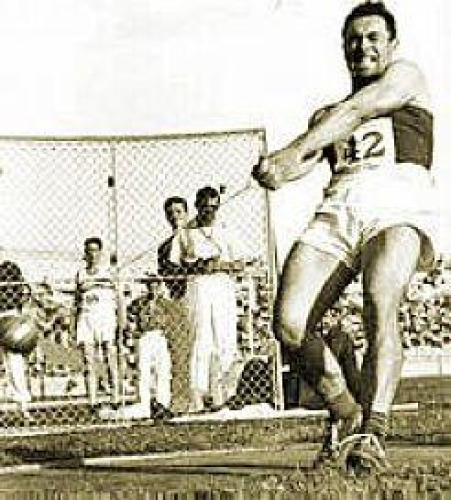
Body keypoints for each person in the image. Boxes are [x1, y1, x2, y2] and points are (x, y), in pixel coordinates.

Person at [253, 1, 437, 473]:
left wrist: (295, 149)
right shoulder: (326, 116)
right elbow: (303, 161)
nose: (363, 47)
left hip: (397, 206)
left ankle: (374, 430)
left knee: (380, 299)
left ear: (392, 44)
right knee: (289, 324)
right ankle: (346, 411)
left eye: (373, 37)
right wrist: (276, 169)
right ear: (343, 49)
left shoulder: (407, 78)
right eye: (353, 40)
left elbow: (359, 109)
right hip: (338, 210)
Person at [170, 186, 241, 412]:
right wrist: (199, 265)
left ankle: (226, 394)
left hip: (222, 286)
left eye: (214, 207)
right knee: (201, 340)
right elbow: (175, 265)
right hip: (198, 286)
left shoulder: (226, 230)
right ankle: (198, 396)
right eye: (204, 207)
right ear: (197, 207)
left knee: (225, 339)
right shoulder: (186, 233)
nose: (209, 212)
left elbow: (240, 263)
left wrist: (219, 265)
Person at [73, 237, 123, 408]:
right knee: (89, 360)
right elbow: (77, 300)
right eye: (89, 251)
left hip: (105, 317)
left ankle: (115, 398)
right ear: (85, 253)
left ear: (100, 253)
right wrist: (74, 323)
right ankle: (92, 401)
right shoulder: (81, 274)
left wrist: (121, 320)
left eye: (95, 250)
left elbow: (119, 298)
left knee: (110, 357)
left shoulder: (109, 272)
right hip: (87, 318)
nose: (92, 254)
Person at [158, 196, 189, 299]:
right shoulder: (163, 247)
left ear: (186, 214)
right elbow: (163, 273)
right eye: (170, 213)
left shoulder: (196, 238)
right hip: (176, 295)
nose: (174, 216)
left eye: (178, 212)